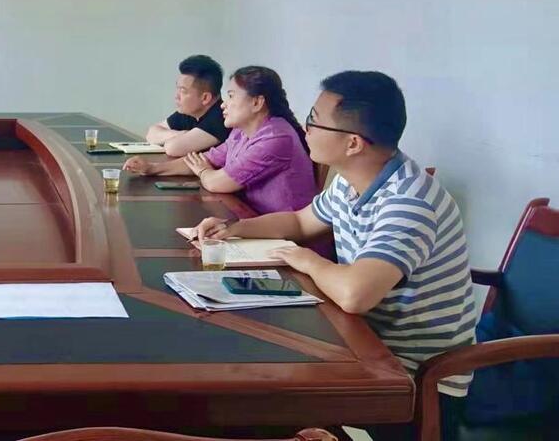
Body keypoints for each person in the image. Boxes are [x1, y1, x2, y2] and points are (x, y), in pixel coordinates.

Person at [194, 71, 474, 440]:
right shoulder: (350, 179)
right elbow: (299, 221)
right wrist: (235, 228)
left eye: (314, 120)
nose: (305, 129)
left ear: (353, 143)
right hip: (359, 341)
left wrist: (304, 259)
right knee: (251, 376)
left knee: (262, 400)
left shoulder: (408, 202)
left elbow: (355, 295)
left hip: (412, 377)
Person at [184, 66, 315, 214]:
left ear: (257, 102)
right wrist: (160, 168)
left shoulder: (276, 137)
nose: (223, 104)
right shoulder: (240, 132)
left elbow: (216, 183)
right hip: (251, 215)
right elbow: (203, 159)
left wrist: (203, 171)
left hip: (281, 226)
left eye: (231, 96)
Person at [124, 54, 231, 176]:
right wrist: (183, 134)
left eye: (183, 91)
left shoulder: (220, 117)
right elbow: (151, 133)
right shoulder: (191, 112)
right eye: (177, 89)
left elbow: (173, 148)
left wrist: (173, 138)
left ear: (205, 98)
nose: (176, 96)